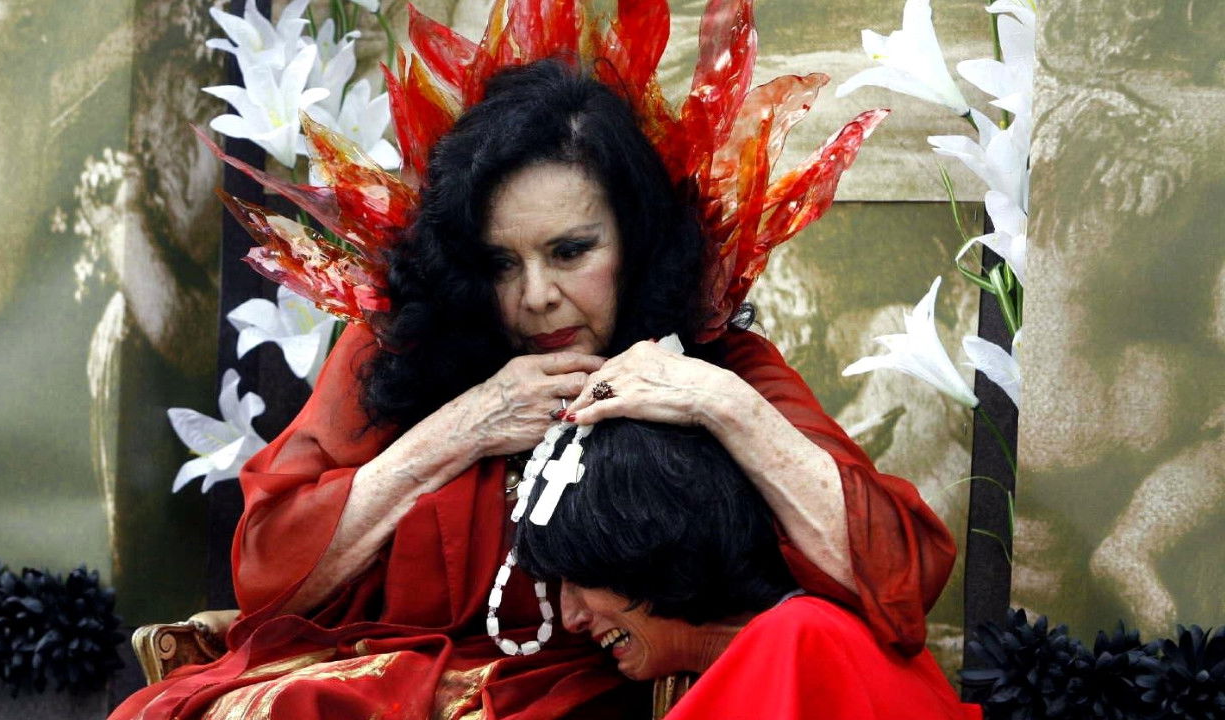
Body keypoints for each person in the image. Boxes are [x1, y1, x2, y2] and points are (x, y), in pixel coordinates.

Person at [111, 1, 954, 717]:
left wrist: (720, 405)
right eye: (501, 263)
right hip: (391, 683)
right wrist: (459, 430)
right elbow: (268, 572)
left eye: (570, 251)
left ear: (635, 240)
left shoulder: (712, 357)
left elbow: (901, 583)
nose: (536, 296)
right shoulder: (398, 351)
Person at [515, 419, 981, 719]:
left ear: (651, 551)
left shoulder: (801, 643)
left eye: (578, 580)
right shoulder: (784, 638)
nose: (571, 617)